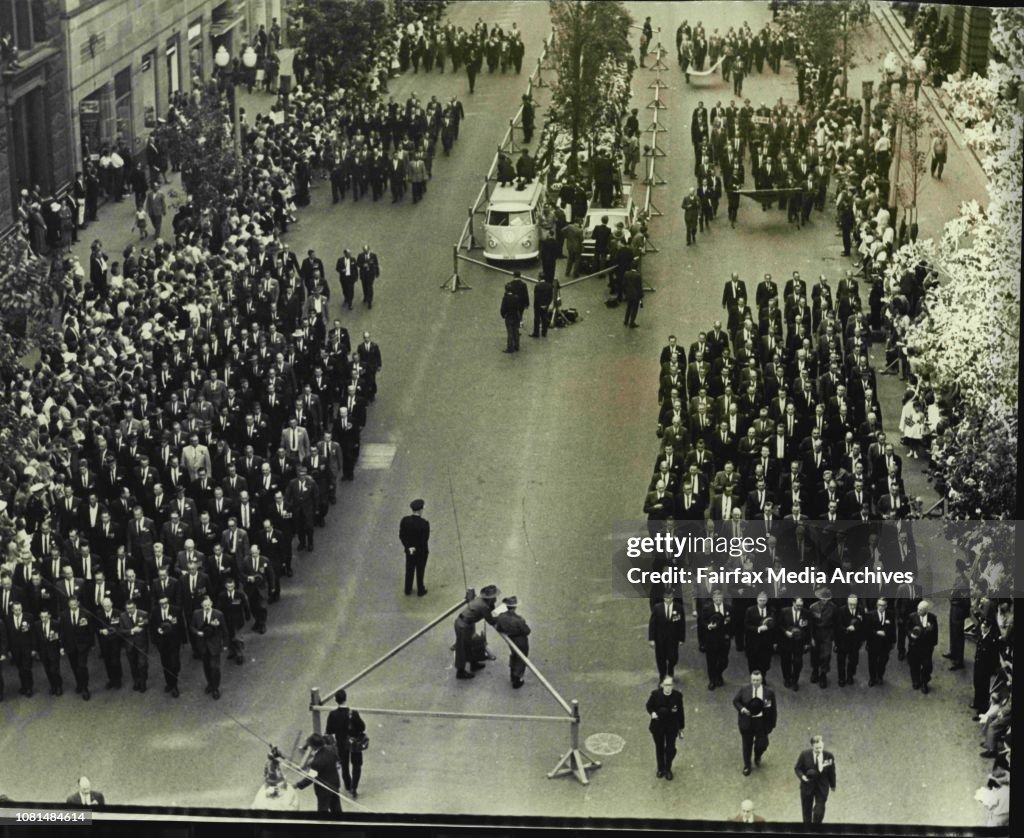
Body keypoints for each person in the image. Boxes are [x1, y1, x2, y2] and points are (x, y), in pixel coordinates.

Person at [733, 670, 776, 775]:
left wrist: (772, 724)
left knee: (762, 744)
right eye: (753, 680)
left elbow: (773, 709)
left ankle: (757, 755)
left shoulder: (768, 693)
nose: (755, 682)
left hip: (761, 722)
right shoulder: (744, 690)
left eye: (757, 680)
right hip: (748, 721)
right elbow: (736, 701)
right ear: (750, 679)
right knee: (747, 745)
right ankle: (747, 765)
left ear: (761, 680)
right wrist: (742, 709)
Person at [325, 690, 367, 798]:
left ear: (336, 700)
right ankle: (354, 788)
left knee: (344, 766)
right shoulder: (353, 713)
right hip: (354, 744)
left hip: (341, 744)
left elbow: (329, 730)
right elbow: (362, 727)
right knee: (357, 765)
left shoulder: (333, 714)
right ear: (345, 698)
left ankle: (348, 785)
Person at [453, 584, 500, 679]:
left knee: (470, 644)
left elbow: (490, 610)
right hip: (463, 625)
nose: (496, 598)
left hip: (466, 624)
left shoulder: (482, 600)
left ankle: (473, 664)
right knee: (462, 649)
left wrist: (492, 605)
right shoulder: (484, 606)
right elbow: (491, 620)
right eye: (494, 597)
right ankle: (460, 672)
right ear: (490, 598)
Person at [646, 676, 684, 780]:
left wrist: (681, 728)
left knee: (670, 749)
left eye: (670, 685)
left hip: (671, 727)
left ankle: (668, 769)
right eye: (666, 685)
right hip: (658, 726)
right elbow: (649, 706)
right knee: (659, 748)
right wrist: (652, 713)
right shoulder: (655, 695)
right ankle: (660, 768)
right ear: (662, 685)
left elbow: (680, 713)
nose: (668, 687)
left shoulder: (677, 696)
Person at [190, 594, 227, 699]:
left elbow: (224, 630)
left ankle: (215, 688)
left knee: (215, 667)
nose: (207, 606)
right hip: (202, 645)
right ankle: (210, 684)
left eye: (208, 604)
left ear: (211, 604)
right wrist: (197, 633)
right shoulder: (196, 614)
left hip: (214, 645)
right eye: (204, 605)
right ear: (202, 605)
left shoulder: (219, 615)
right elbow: (192, 626)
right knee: (206, 667)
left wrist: (225, 644)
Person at [296, 733, 342, 814]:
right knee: (336, 808)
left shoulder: (316, 762)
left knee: (323, 810)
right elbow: (336, 759)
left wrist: (298, 785)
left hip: (324, 790)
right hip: (334, 784)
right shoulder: (331, 749)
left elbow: (310, 777)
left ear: (313, 746)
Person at [794, 735, 836, 824]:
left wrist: (833, 785)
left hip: (822, 787)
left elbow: (831, 772)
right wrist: (802, 777)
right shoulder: (804, 755)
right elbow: (797, 768)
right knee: (806, 813)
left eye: (820, 747)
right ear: (812, 746)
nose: (819, 750)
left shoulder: (829, 756)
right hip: (807, 786)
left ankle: (816, 827)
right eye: (816, 748)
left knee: (819, 812)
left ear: (823, 745)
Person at [495, 595, 531, 688]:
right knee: (521, 658)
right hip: (520, 640)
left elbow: (499, 628)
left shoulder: (501, 617)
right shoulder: (518, 619)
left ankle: (512, 674)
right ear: (515, 607)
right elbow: (527, 631)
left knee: (514, 655)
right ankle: (517, 678)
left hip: (511, 639)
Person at [648, 590, 685, 680]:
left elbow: (682, 624)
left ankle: (670, 668)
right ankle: (662, 676)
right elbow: (652, 624)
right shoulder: (657, 608)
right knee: (661, 658)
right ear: (664, 598)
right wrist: (651, 639)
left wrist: (682, 638)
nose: (668, 600)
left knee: (673, 658)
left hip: (673, 638)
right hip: (660, 638)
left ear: (673, 598)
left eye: (670, 598)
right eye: (666, 598)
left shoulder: (679, 608)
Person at [399, 498, 430, 596]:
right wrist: (417, 548)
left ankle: (407, 589)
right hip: (421, 552)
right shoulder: (424, 524)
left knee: (409, 569)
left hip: (410, 551)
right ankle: (420, 589)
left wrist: (409, 547)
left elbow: (401, 535)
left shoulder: (405, 521)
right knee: (420, 570)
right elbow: (424, 540)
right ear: (420, 510)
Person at [906, 599, 938, 693]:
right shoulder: (912, 617)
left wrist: (933, 645)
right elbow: (907, 628)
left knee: (927, 666)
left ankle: (924, 682)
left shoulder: (932, 618)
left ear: (926, 610)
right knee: (914, 665)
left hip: (926, 647)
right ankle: (915, 680)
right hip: (914, 646)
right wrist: (910, 635)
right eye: (918, 609)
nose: (918, 611)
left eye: (921, 610)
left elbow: (935, 632)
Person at [500, 283, 520, 353]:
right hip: (516, 317)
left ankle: (510, 347)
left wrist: (503, 315)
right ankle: (517, 345)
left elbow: (503, 309)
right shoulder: (516, 297)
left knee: (510, 332)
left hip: (509, 317)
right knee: (516, 331)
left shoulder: (505, 298)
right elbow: (518, 308)